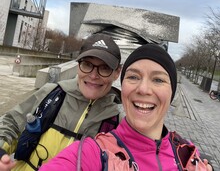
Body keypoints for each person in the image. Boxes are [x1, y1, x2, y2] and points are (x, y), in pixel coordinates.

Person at [39, 43, 213, 171]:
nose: (143, 89)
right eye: (133, 77)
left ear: (172, 93)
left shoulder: (187, 153)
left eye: (158, 79)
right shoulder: (95, 153)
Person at [0, 33, 122, 171]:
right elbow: (12, 122)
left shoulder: (118, 119)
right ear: (78, 65)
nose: (93, 75)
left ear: (117, 72)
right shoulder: (51, 93)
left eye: (104, 68)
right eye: (87, 64)